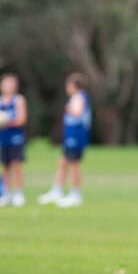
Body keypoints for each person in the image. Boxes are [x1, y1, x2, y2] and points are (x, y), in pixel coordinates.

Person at [38, 73, 92, 208]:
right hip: (70, 137)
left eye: (68, 85)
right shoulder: (76, 97)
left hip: (76, 137)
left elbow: (78, 112)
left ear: (74, 86)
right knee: (62, 163)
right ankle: (57, 190)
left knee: (74, 165)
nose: (67, 88)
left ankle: (75, 194)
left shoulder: (79, 97)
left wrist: (69, 109)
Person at [0, 74, 27, 207]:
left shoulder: (18, 100)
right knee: (5, 166)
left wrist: (7, 121)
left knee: (16, 164)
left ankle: (18, 194)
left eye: (11, 84)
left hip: (16, 138)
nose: (8, 86)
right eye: (6, 84)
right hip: (3, 138)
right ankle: (6, 194)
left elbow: (22, 119)